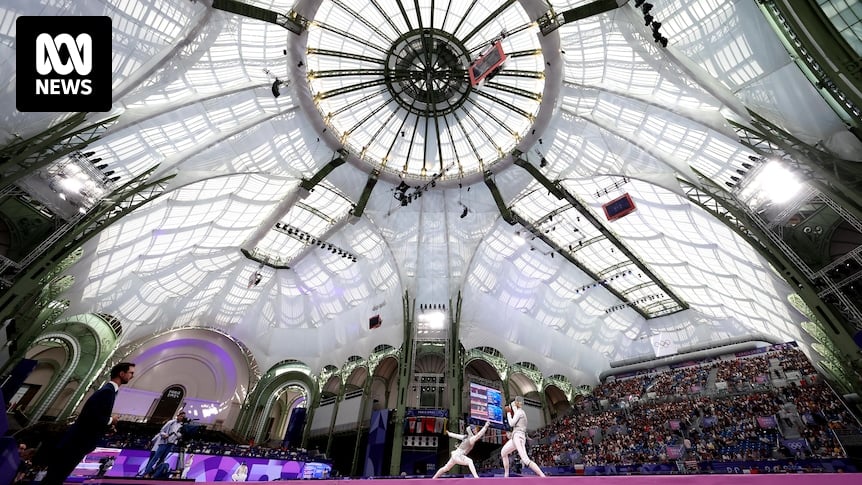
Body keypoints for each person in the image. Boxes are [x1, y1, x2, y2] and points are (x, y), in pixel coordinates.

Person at [40, 362, 135, 485]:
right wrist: (111, 420)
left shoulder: (109, 391)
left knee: (56, 477)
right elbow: (91, 417)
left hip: (77, 442)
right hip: (76, 443)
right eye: (131, 373)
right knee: (55, 478)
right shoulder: (107, 391)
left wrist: (107, 425)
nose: (132, 376)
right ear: (121, 373)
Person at [500, 396, 545, 477]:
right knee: (503, 452)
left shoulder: (520, 412)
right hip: (515, 437)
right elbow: (515, 410)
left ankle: (542, 476)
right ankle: (506, 476)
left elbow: (511, 423)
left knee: (525, 459)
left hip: (519, 437)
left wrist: (508, 413)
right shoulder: (519, 412)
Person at [142, 410, 186, 477]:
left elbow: (179, 435)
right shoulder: (171, 422)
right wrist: (164, 435)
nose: (182, 418)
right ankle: (146, 473)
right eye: (181, 416)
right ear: (178, 416)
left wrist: (178, 436)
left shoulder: (181, 426)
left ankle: (155, 473)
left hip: (171, 444)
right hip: (164, 443)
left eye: (183, 417)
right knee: (155, 458)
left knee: (162, 459)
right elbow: (162, 431)